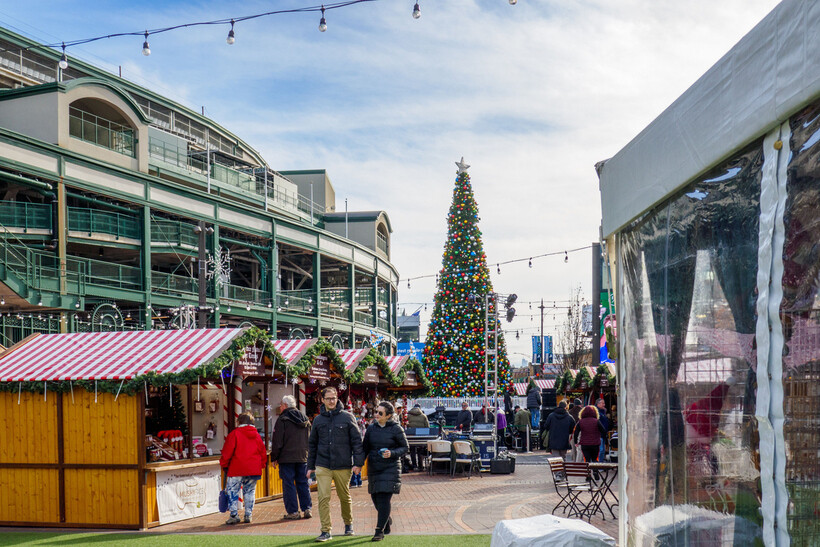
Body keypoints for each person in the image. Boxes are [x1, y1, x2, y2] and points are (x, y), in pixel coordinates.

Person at [307, 387, 366, 542]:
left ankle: (348, 524)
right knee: (323, 497)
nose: (331, 401)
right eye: (328, 398)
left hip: (343, 464)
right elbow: (312, 444)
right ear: (323, 400)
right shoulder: (318, 420)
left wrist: (358, 463)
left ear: (337, 398)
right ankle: (325, 530)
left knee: (344, 496)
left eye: (334, 398)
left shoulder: (347, 417)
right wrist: (310, 466)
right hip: (323, 464)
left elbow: (357, 442)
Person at [363, 401, 409, 542]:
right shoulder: (371, 429)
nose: (376, 414)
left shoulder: (396, 428)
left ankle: (379, 531)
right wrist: (358, 464)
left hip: (390, 468)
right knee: (375, 498)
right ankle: (386, 521)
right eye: (376, 412)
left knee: (383, 499)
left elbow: (405, 447)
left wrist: (393, 453)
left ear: (388, 415)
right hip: (374, 468)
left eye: (380, 413)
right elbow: (364, 448)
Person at [219, 411, 266, 525]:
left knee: (233, 491)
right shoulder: (257, 435)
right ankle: (248, 514)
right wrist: (262, 465)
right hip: (253, 469)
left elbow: (227, 452)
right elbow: (262, 452)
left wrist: (224, 464)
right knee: (250, 492)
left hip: (236, 468)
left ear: (239, 422)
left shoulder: (234, 434)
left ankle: (234, 515)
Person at [270, 395, 312, 520]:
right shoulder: (304, 418)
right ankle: (307, 508)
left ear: (285, 405)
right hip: (302, 456)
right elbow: (310, 438)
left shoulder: (282, 419)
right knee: (303, 483)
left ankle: (293, 511)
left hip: (286, 457)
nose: (280, 407)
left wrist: (274, 457)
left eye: (281, 405)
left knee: (288, 484)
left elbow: (277, 441)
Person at [406, 403, 429, 471]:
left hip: (411, 435)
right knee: (420, 450)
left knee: (412, 450)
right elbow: (427, 427)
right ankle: (421, 466)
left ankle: (414, 465)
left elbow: (405, 425)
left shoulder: (408, 416)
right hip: (421, 436)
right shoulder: (423, 416)